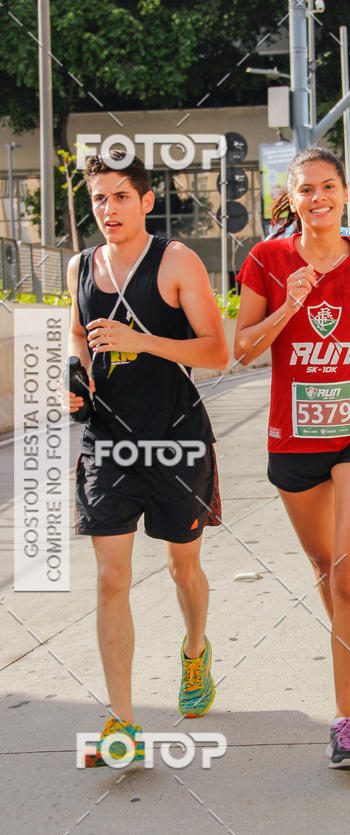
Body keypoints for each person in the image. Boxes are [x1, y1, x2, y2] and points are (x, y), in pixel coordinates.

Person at [234, 147, 350, 769]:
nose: (319, 197)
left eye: (329, 186)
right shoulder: (266, 260)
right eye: (306, 188)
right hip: (294, 440)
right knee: (321, 565)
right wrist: (288, 305)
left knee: (347, 573)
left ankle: (343, 725)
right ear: (291, 197)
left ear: (344, 192)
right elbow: (243, 351)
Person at [66, 150, 229, 766]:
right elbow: (79, 334)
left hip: (175, 439)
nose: (109, 209)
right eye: (99, 198)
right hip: (108, 442)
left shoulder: (176, 261)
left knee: (183, 568)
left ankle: (195, 651)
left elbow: (217, 352)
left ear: (146, 201)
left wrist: (141, 341)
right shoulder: (81, 266)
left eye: (121, 197)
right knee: (111, 578)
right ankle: (123, 723)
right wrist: (77, 377)